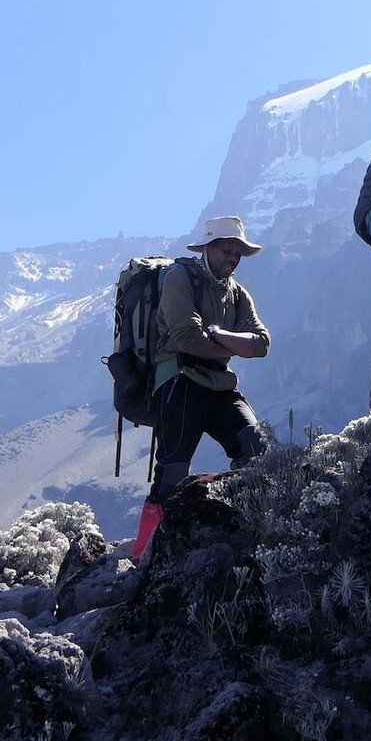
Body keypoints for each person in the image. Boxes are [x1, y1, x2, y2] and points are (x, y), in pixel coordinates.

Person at [132, 216, 271, 559]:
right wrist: (237, 346)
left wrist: (220, 335)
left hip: (220, 386)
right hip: (180, 383)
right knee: (172, 475)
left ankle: (248, 534)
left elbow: (263, 343)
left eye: (238, 252)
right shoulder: (180, 278)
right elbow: (187, 338)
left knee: (254, 447)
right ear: (208, 248)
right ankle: (144, 557)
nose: (233, 258)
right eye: (227, 250)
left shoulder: (237, 293)